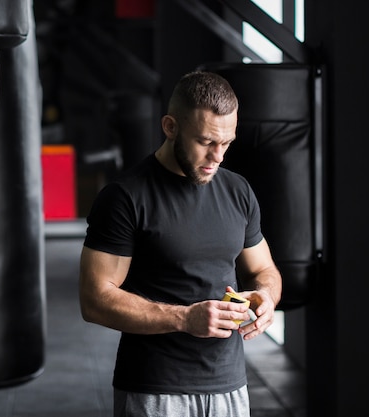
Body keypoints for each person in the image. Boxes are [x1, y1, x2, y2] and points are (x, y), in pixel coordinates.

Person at [79, 70, 282, 417]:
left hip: (230, 386)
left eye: (227, 143)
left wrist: (265, 297)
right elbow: (95, 299)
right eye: (205, 142)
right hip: (156, 389)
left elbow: (263, 269)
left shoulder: (238, 191)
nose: (218, 156)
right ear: (171, 127)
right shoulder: (125, 197)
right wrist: (185, 318)